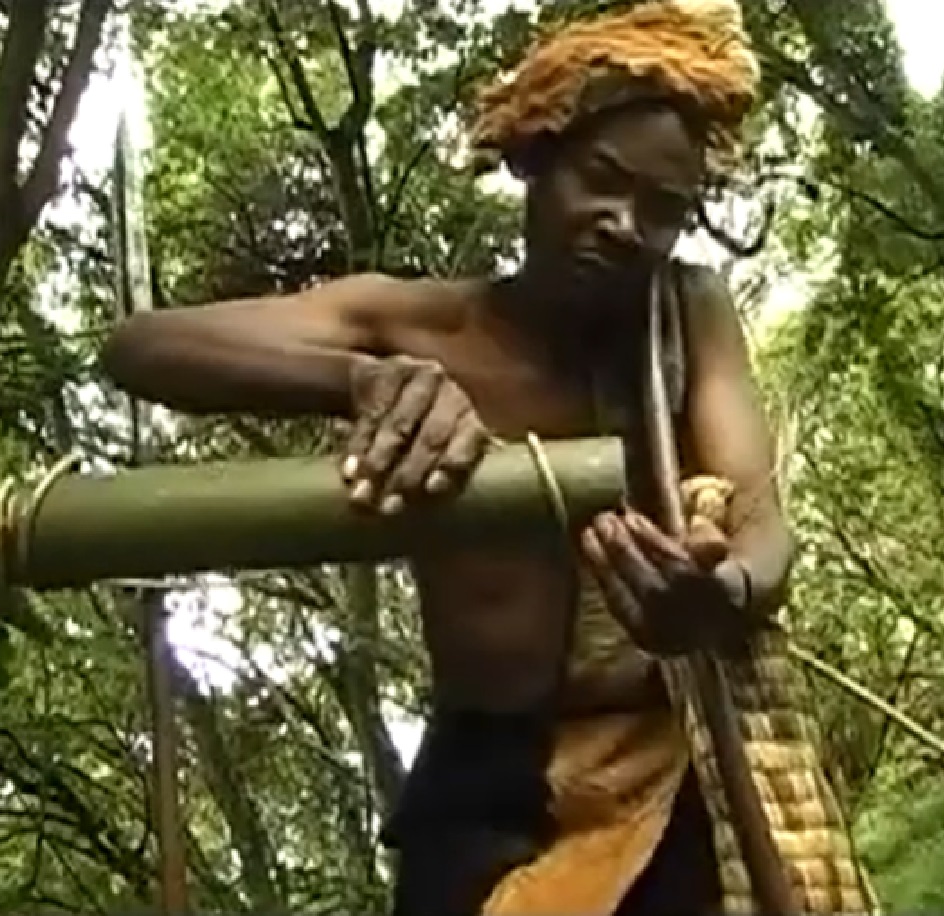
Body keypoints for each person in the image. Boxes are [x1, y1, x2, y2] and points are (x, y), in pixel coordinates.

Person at [101, 2, 871, 913]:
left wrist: (722, 595)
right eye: (602, 179)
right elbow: (142, 348)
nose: (625, 225)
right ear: (534, 156)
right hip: (483, 787)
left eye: (663, 212)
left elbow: (761, 525)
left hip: (670, 762)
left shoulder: (685, 316)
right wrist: (362, 382)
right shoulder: (417, 326)